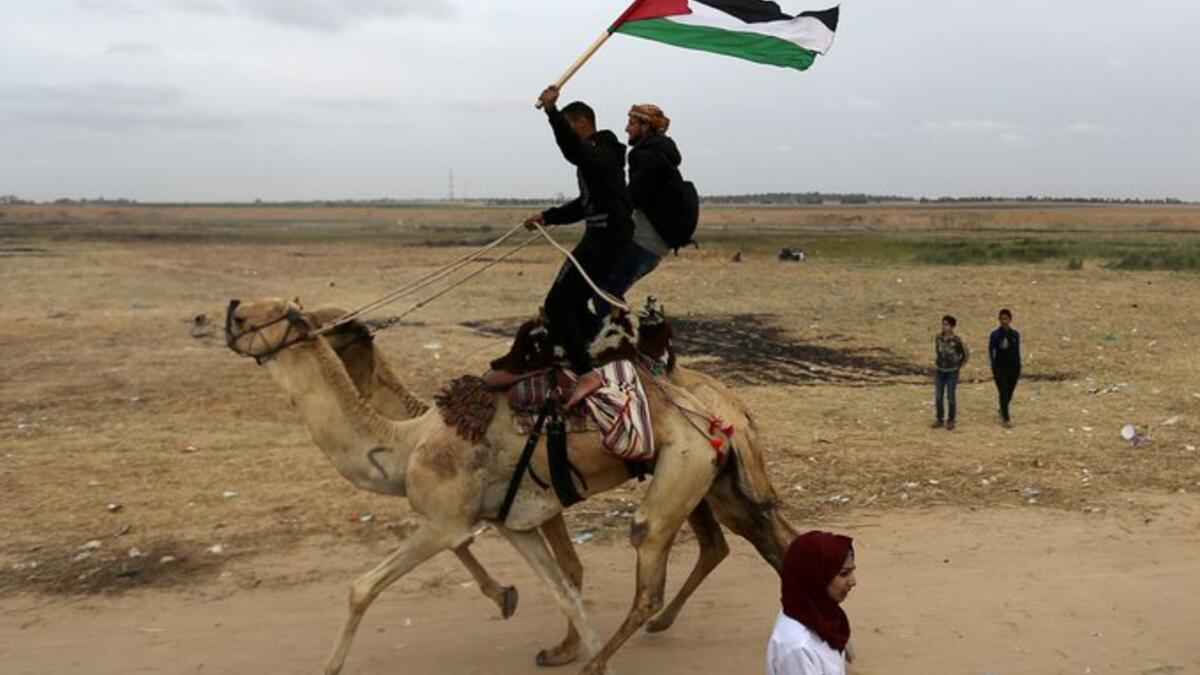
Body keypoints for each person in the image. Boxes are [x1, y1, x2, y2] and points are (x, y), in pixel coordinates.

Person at [524, 85, 633, 373]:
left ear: (583, 124)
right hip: (604, 239)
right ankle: (600, 349)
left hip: (606, 240)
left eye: (571, 128)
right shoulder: (598, 158)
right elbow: (585, 205)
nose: (571, 135)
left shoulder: (602, 150)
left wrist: (552, 112)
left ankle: (586, 373)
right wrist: (547, 217)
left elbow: (574, 151)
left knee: (556, 305)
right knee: (571, 304)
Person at [593, 103, 686, 317]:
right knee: (609, 291)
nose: (627, 128)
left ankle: (616, 345)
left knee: (604, 292)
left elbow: (631, 198)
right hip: (655, 242)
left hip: (646, 240)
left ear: (645, 126)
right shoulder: (660, 153)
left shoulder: (644, 155)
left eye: (632, 123)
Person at [766, 531, 856, 675]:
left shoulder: (819, 615)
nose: (853, 582)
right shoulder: (798, 647)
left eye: (852, 572)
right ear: (815, 577)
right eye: (844, 574)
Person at [933, 314, 969, 430]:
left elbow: (965, 354)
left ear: (952, 327)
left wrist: (959, 365)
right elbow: (937, 351)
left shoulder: (956, 340)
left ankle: (951, 419)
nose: (944, 327)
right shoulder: (938, 338)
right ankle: (939, 418)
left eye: (946, 324)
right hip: (940, 370)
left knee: (950, 395)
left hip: (952, 371)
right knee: (938, 396)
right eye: (943, 324)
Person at [988, 308, 1022, 427]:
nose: (1004, 321)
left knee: (1009, 391)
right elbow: (991, 349)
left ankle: (1003, 407)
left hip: (1013, 367)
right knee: (1002, 390)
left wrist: (1018, 365)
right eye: (1002, 319)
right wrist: (993, 364)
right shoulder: (995, 335)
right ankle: (1006, 418)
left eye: (1006, 319)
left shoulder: (1015, 335)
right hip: (1000, 366)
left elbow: (1017, 351)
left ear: (1010, 320)